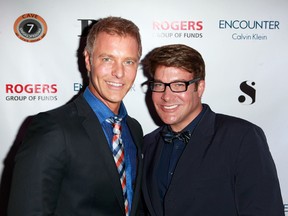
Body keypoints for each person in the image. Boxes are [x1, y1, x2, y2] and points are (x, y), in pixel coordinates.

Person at [8, 16, 143, 216]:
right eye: (107, 59)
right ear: (88, 60)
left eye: (128, 62)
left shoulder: (134, 129)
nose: (119, 73)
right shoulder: (52, 128)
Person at [141, 44, 284, 216]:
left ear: (199, 88)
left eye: (179, 85)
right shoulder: (148, 144)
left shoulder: (241, 137)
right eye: (159, 85)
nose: (166, 95)